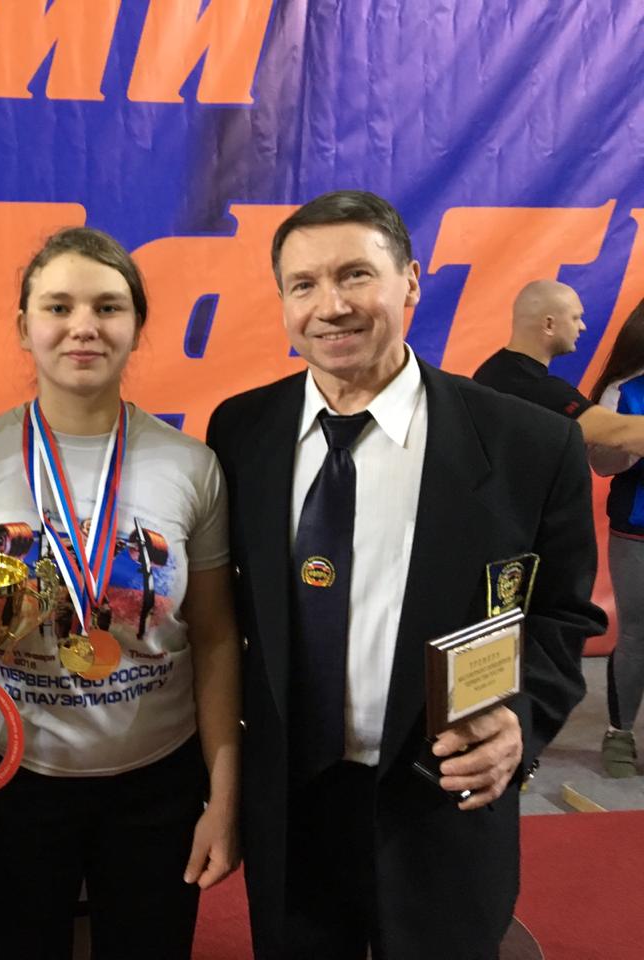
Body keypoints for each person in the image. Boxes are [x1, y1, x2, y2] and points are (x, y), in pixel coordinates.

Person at [207, 190, 604, 960]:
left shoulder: (527, 443)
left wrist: (519, 721)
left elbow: (562, 617)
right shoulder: (241, 429)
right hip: (291, 811)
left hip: (442, 803)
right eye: (304, 284)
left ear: (411, 280)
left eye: (355, 275)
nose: (331, 306)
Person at [0, 227, 241, 959]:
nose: (83, 326)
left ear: (137, 326)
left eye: (108, 307)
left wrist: (224, 795)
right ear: (23, 327)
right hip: (14, 779)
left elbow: (217, 634)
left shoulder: (191, 467)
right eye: (58, 307)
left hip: (158, 780)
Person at [473, 279, 644, 460]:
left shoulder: (489, 371)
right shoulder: (534, 388)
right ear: (549, 325)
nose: (582, 327)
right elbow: (619, 432)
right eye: (575, 318)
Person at [586, 297, 644, 777]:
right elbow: (602, 464)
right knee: (636, 635)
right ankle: (619, 734)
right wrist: (630, 443)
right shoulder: (624, 390)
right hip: (637, 531)